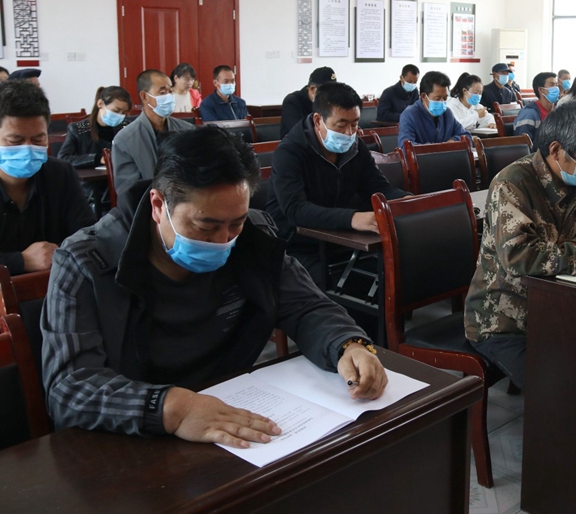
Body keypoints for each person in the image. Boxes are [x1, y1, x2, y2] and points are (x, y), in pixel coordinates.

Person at [42, 126, 387, 441]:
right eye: (205, 227)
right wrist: (172, 408)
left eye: (235, 223)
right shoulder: (86, 262)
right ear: (159, 205)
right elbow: (69, 388)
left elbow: (307, 305)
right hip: (137, 433)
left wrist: (347, 345)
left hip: (232, 406)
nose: (223, 240)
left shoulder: (252, 238)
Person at [464, 102, 576, 389]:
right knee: (563, 386)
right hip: (505, 320)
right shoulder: (513, 185)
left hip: (562, 304)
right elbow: (519, 255)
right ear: (557, 150)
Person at [268, 82, 410, 288]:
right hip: (296, 245)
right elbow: (296, 210)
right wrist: (353, 218)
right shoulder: (289, 152)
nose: (349, 133)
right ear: (318, 120)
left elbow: (378, 187)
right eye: (341, 125)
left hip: (339, 239)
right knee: (347, 285)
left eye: (354, 124)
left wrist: (406, 200)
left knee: (392, 272)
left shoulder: (356, 146)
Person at [0, 80, 95, 275]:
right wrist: (20, 261)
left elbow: (88, 236)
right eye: (15, 141)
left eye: (38, 139)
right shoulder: (84, 127)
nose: (28, 148)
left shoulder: (60, 174)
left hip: (54, 285)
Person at [111, 70, 195, 197]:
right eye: (162, 92)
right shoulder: (124, 139)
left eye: (170, 91)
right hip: (149, 203)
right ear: (145, 96)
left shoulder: (187, 130)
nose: (169, 97)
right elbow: (128, 191)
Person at [58, 86, 134, 216]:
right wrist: (98, 158)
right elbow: (64, 158)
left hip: (121, 183)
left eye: (124, 113)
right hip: (94, 190)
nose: (120, 116)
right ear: (100, 104)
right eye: (116, 111)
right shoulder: (80, 128)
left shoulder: (125, 126)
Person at [397, 71, 468, 148]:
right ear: (423, 96)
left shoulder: (447, 113)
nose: (442, 102)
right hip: (423, 156)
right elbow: (406, 147)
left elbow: (466, 136)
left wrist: (453, 141)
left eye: (445, 98)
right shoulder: (409, 115)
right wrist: (437, 148)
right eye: (437, 98)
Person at [281, 66, 336, 138]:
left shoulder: (330, 102)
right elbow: (300, 132)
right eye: (327, 92)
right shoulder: (292, 102)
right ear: (312, 89)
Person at [513, 72, 559, 147]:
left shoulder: (558, 111)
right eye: (552, 85)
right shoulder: (529, 114)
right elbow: (523, 145)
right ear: (541, 90)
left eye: (556, 85)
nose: (556, 88)